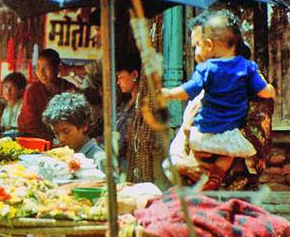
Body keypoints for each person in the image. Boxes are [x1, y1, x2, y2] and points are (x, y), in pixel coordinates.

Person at [162, 10, 276, 190]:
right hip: (194, 197)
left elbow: (256, 147)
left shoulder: (252, 94)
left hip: (232, 199)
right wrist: (181, 164)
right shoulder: (203, 93)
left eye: (198, 45)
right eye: (194, 47)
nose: (196, 54)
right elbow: (175, 156)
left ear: (212, 45)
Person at [18, 49, 76, 141]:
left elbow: (75, 118)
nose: (41, 72)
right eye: (38, 67)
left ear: (57, 68)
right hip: (36, 139)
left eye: (46, 67)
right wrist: (51, 139)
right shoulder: (33, 90)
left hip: (64, 138)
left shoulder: (68, 88)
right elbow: (30, 123)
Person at [41, 92, 105, 168]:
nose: (61, 139)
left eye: (66, 132)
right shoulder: (62, 158)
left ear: (84, 126)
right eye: (56, 133)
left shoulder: (100, 160)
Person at [115, 50, 141, 172]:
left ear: (134, 75)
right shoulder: (125, 103)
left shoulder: (142, 106)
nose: (118, 82)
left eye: (120, 77)